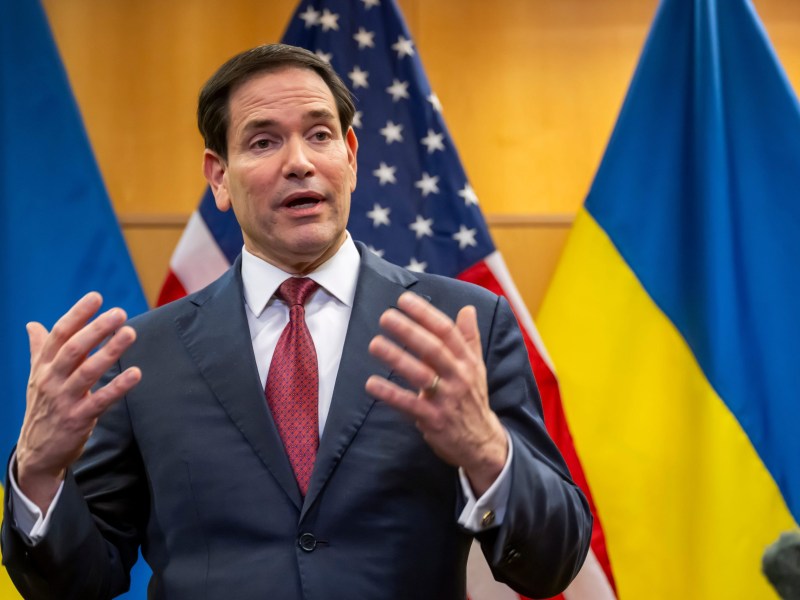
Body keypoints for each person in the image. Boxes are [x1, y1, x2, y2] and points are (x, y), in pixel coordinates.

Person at [1, 43, 592, 599]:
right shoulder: (145, 354)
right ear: (219, 178)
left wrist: (487, 451)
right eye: (262, 142)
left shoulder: (463, 324)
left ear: (351, 156)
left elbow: (551, 564)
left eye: (319, 135)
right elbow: (75, 584)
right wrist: (37, 474)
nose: (300, 162)